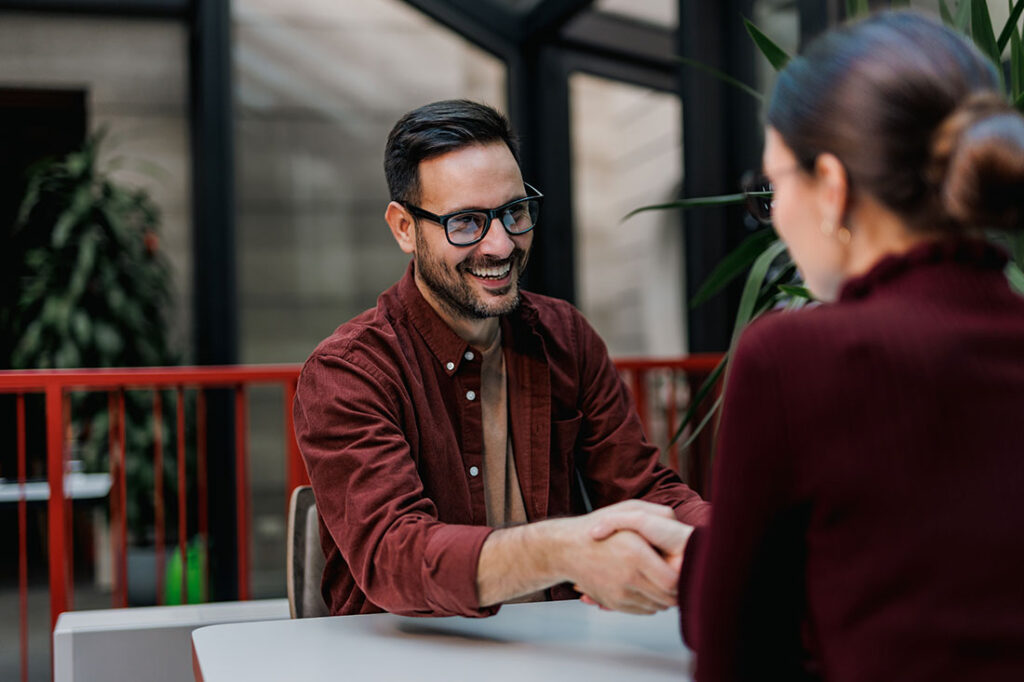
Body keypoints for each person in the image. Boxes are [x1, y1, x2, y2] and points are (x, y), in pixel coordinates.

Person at [590, 10, 1024, 681]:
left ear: (832, 186)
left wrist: (711, 567)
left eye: (773, 187)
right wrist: (710, 555)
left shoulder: (798, 358)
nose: (776, 219)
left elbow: (744, 648)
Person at [293, 99, 709, 618]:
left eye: (514, 212)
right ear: (404, 228)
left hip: (555, 647)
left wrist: (731, 541)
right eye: (466, 222)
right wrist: (564, 549)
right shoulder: (348, 372)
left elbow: (642, 488)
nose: (501, 244)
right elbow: (397, 558)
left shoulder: (565, 336)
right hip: (405, 657)